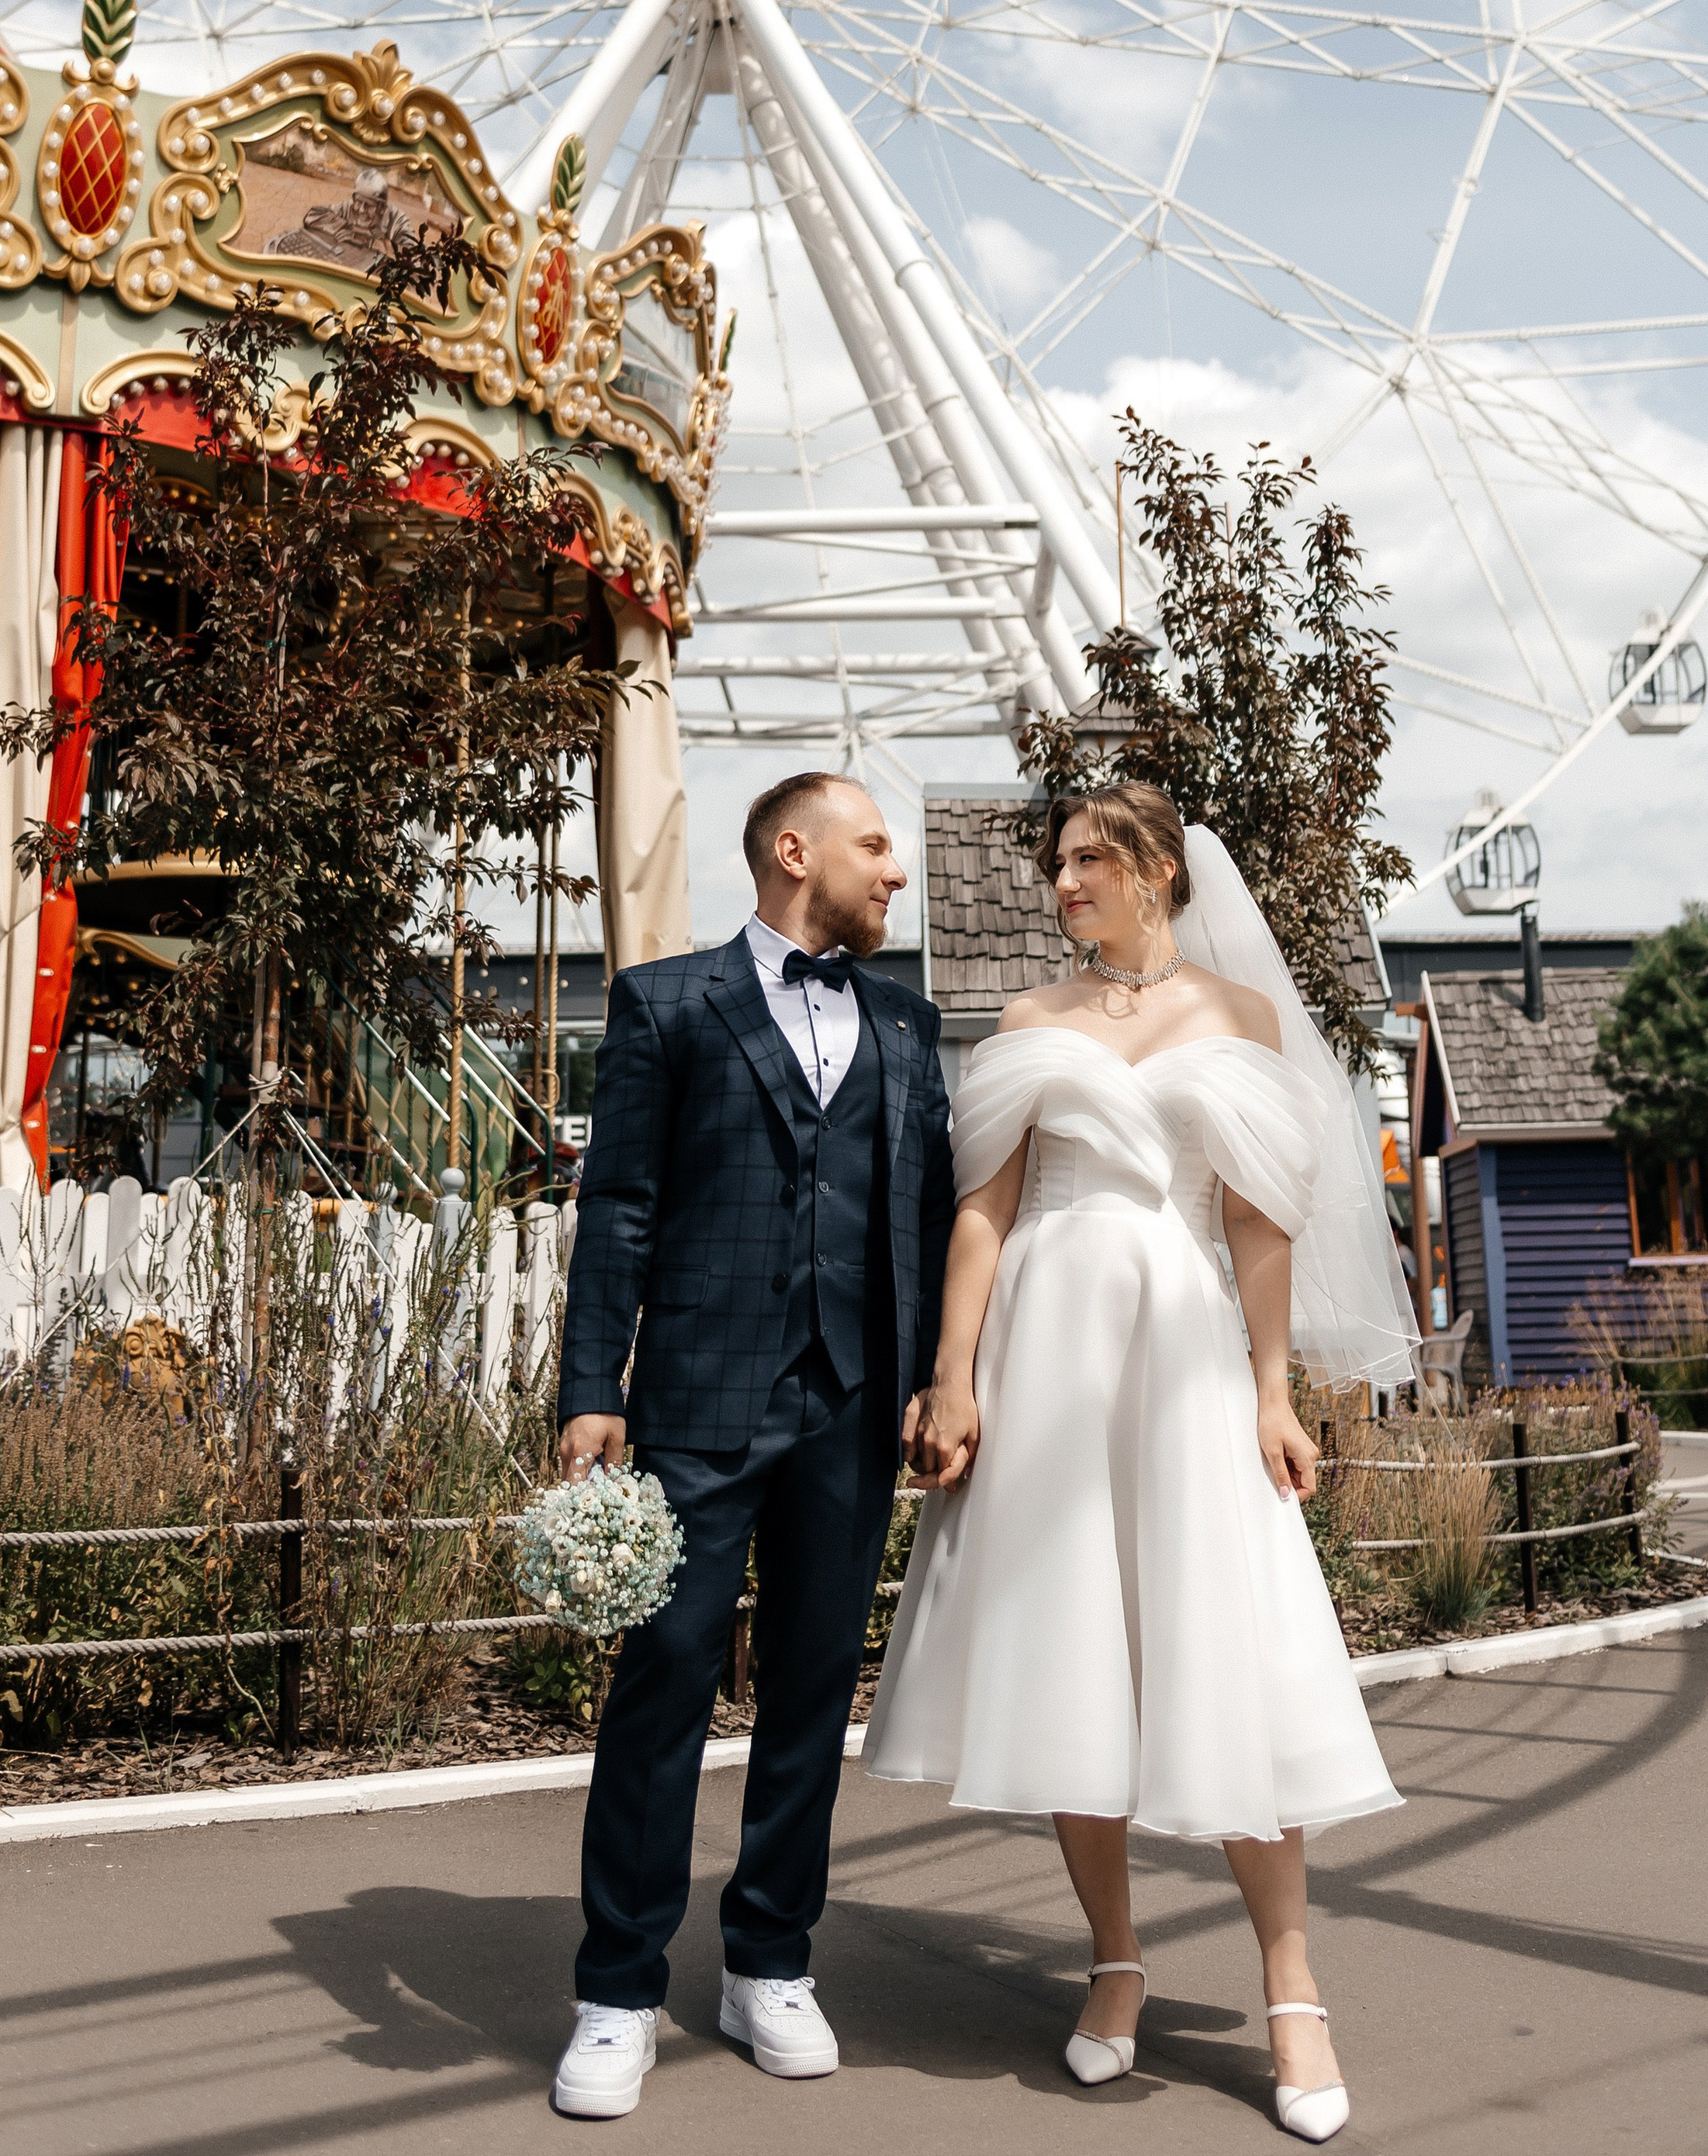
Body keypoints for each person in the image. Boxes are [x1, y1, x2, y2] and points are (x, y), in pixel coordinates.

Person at [865, 786, 1419, 2146]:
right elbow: (983, 1209)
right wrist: (955, 1374)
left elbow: (1258, 1221)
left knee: (1220, 1647)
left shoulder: (1242, 1019)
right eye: (1057, 863)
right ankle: (1114, 1960)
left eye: (1086, 861)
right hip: (1046, 1352)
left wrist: (1274, 1391)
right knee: (1068, 1656)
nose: (1063, 883)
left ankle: (1293, 1988)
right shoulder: (1028, 1023)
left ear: (1159, 871)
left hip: (1180, 1353)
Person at [549, 772, 955, 2121]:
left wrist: (943, 1385)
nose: (895, 872)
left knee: (809, 1691)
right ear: (796, 853)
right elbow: (618, 1205)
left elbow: (936, 1217)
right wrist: (589, 1384)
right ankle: (617, 1988)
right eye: (874, 847)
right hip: (697, 1401)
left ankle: (770, 1960)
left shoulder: (908, 1020)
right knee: (664, 1678)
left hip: (853, 1405)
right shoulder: (667, 1003)